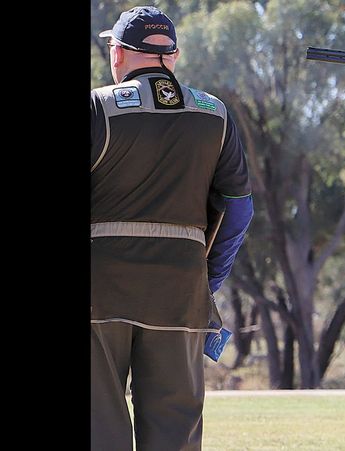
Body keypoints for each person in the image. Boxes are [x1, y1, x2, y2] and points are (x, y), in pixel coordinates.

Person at [91, 6, 254, 450]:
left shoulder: (98, 107)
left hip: (100, 294)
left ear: (118, 53)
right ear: (173, 56)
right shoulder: (214, 114)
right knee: (175, 433)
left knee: (98, 427)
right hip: (181, 294)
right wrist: (207, 280)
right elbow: (239, 209)